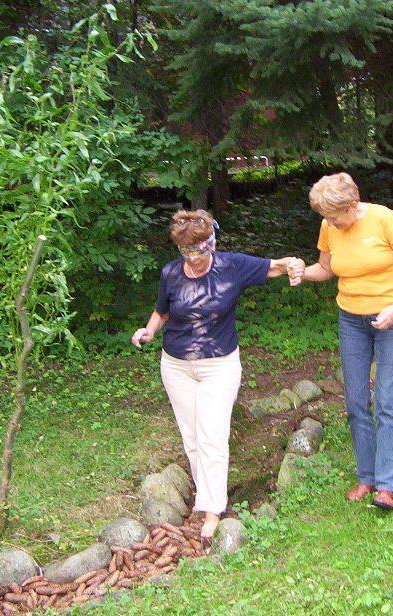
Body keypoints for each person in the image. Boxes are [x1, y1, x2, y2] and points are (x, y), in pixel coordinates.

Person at [131, 209, 297, 541]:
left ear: (211, 241)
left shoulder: (232, 266)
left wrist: (293, 264)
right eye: (185, 251)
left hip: (219, 365)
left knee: (213, 437)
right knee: (192, 438)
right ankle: (204, 497)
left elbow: (274, 265)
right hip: (176, 365)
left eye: (199, 249)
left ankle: (213, 509)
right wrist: (148, 331)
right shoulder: (171, 273)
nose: (192, 257)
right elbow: (161, 311)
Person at [289, 172, 393, 511]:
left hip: (391, 318)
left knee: (386, 401)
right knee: (355, 403)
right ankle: (366, 477)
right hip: (351, 320)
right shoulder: (329, 226)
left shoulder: (384, 219)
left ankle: (388, 485)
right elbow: (326, 269)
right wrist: (301, 272)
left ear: (351, 205)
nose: (329, 223)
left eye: (334, 216)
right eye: (325, 217)